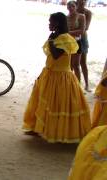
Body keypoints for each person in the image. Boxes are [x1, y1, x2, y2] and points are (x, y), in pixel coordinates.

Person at [22, 12, 91, 143]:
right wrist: (52, 38)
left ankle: (59, 133)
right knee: (43, 102)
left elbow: (56, 54)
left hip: (61, 77)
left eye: (51, 22)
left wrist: (52, 40)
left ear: (57, 23)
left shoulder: (65, 37)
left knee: (58, 104)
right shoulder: (56, 36)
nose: (49, 24)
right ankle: (38, 128)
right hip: (50, 74)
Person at [67, 1, 86, 85]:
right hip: (67, 43)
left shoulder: (81, 16)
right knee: (69, 66)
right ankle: (70, 84)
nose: (71, 8)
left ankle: (78, 85)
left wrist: (68, 32)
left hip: (77, 42)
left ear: (76, 7)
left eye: (73, 6)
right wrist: (70, 32)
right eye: (69, 6)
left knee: (76, 66)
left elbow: (82, 31)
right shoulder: (66, 17)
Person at [77, 0, 92, 92]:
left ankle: (86, 85)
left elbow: (86, 28)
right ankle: (76, 85)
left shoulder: (87, 12)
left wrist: (74, 30)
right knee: (74, 64)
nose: (82, 1)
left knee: (83, 62)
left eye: (84, 0)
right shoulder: (73, 9)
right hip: (73, 39)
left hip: (82, 39)